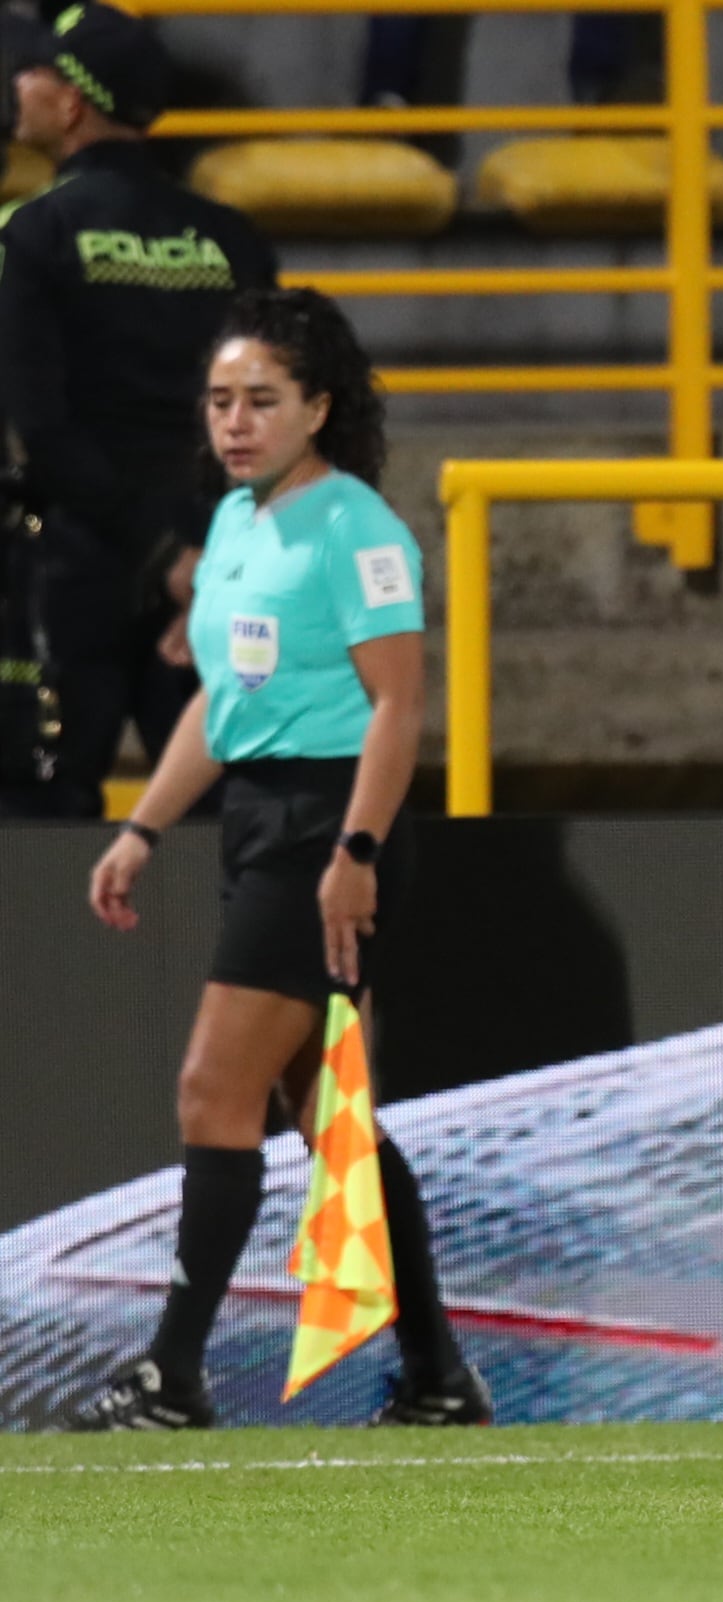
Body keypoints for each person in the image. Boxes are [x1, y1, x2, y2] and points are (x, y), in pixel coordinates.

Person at [64, 288, 487, 1431]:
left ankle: (173, 1370)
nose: (235, 420)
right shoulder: (241, 526)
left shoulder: (358, 529)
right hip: (261, 819)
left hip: (325, 821)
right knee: (326, 1115)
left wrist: (355, 849)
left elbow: (399, 705)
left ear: (318, 408)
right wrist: (143, 827)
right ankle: (439, 1373)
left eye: (261, 399)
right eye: (219, 400)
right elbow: (222, 694)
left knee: (215, 1087)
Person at [0, 1, 276, 818]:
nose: (20, 82)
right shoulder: (236, 239)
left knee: (33, 824)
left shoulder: (30, 233)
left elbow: (38, 428)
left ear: (72, 101)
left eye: (39, 70)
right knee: (221, 829)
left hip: (70, 563)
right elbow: (273, 422)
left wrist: (158, 555)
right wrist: (201, 563)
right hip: (209, 569)